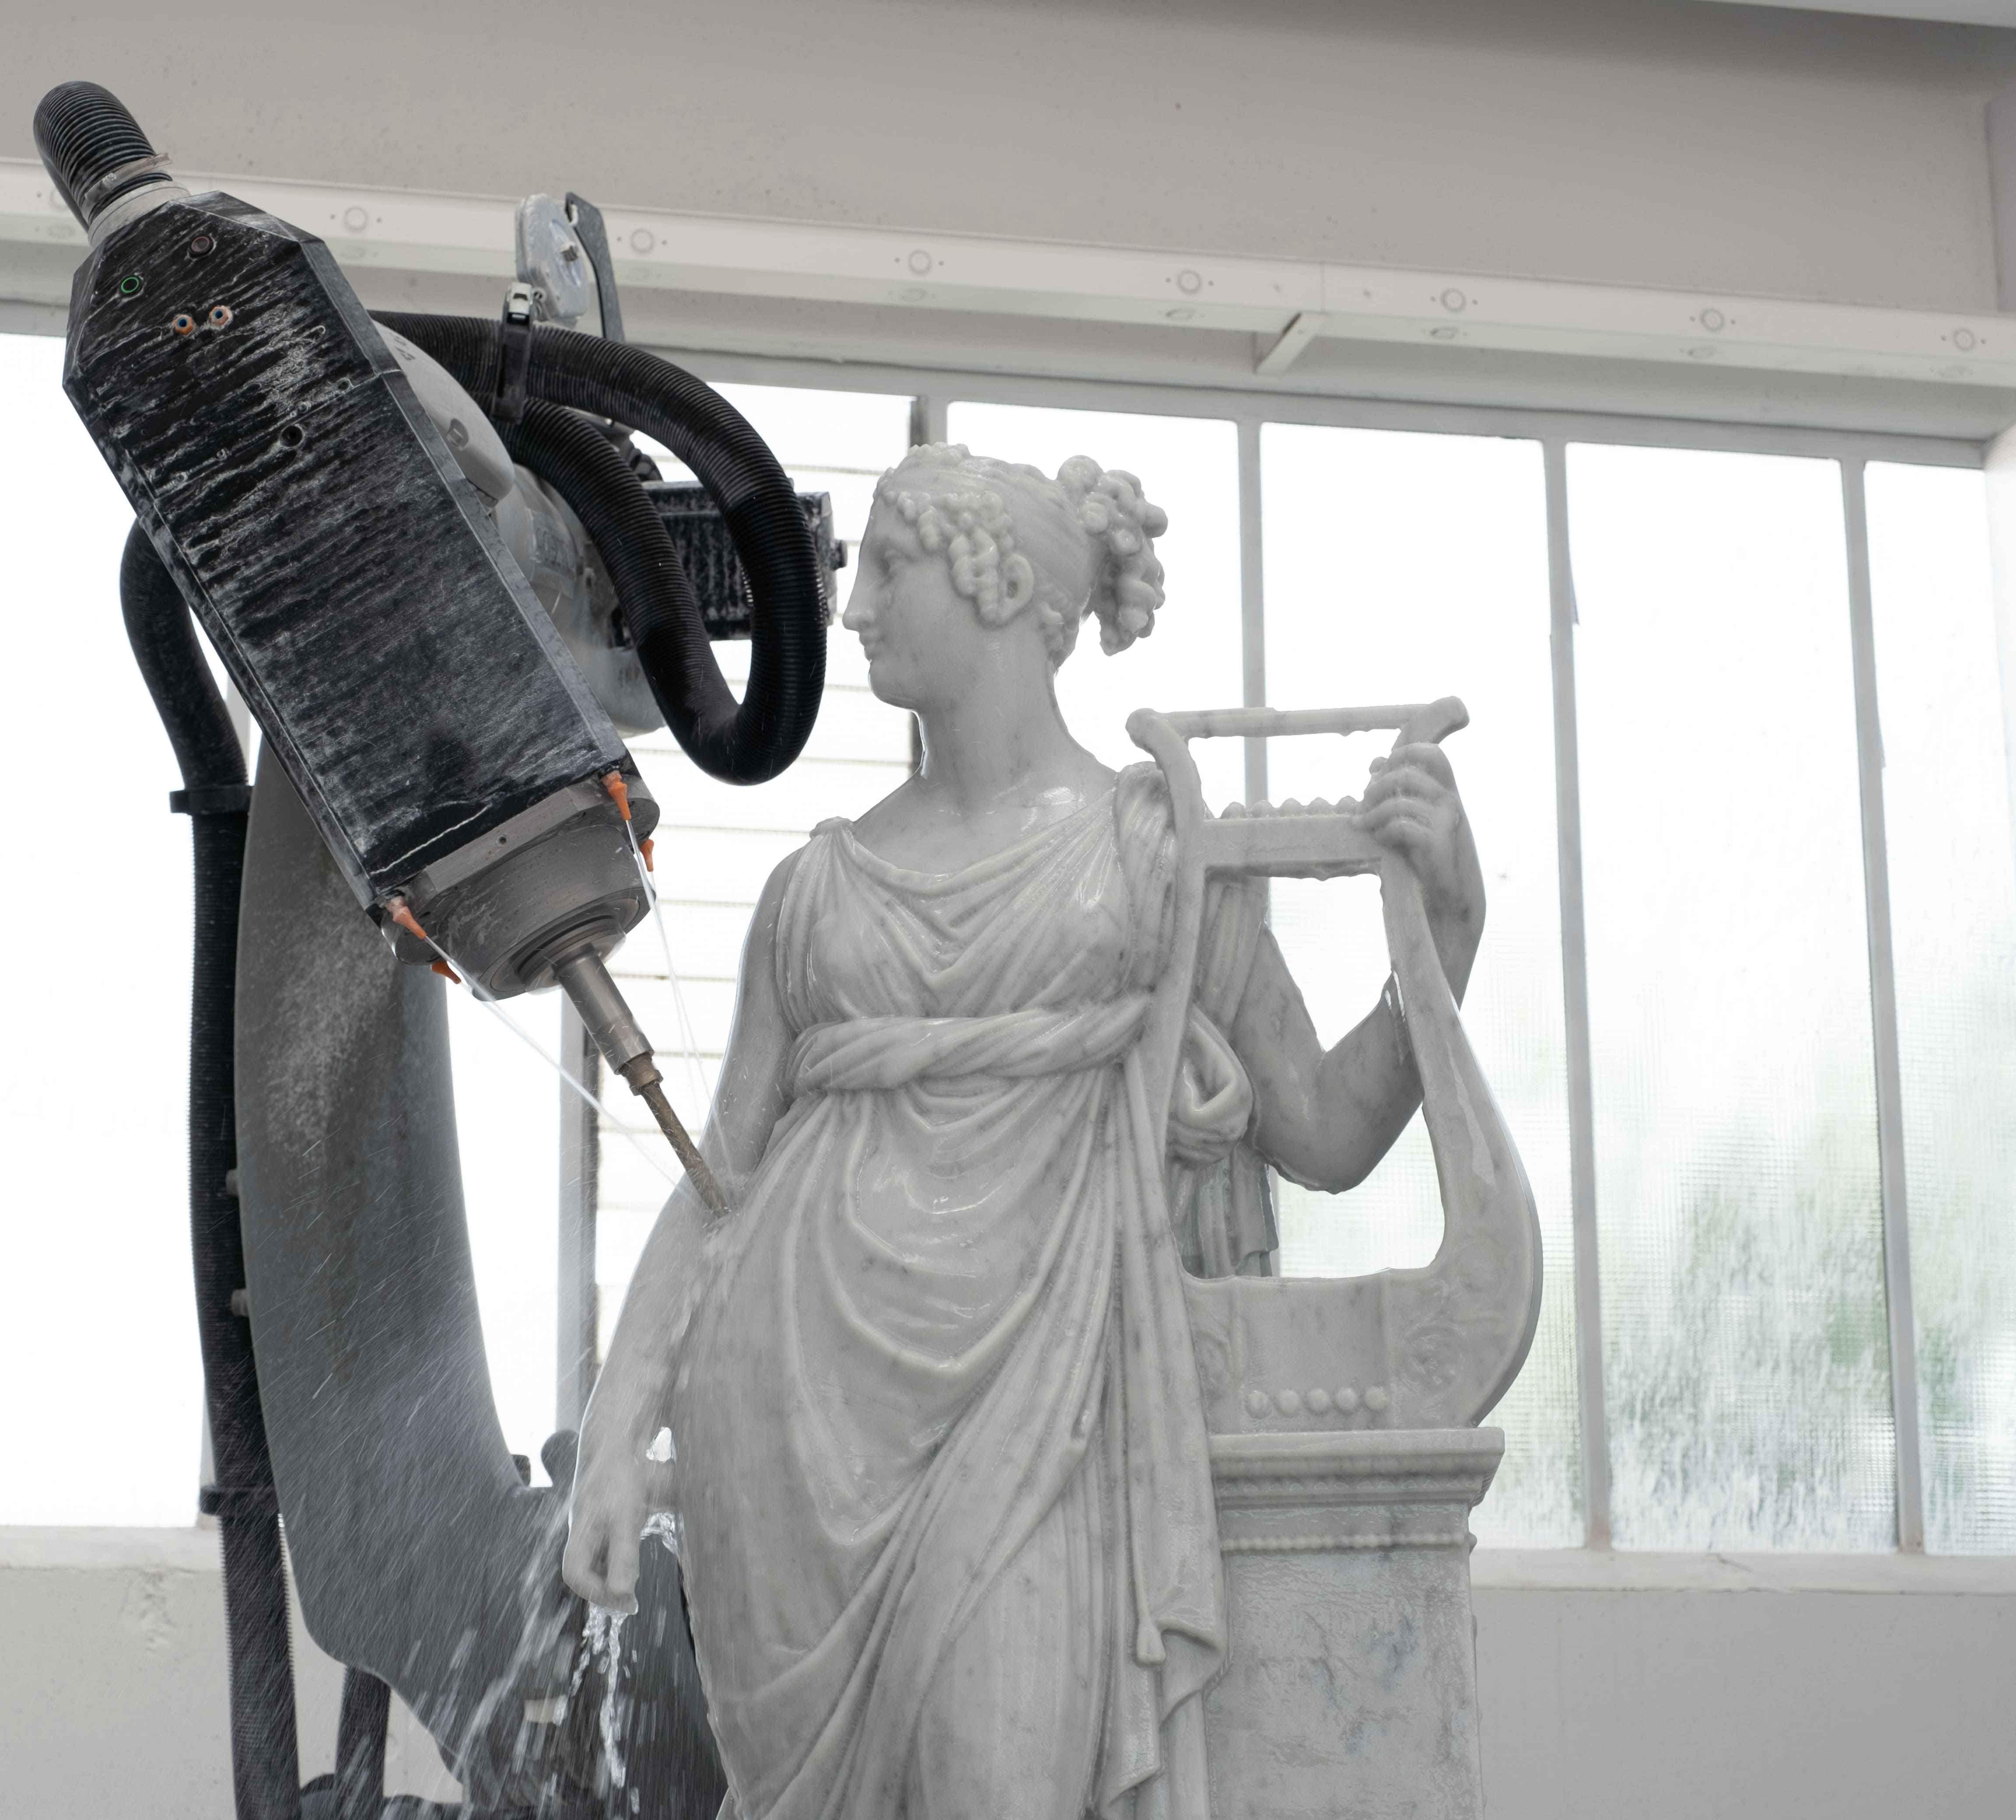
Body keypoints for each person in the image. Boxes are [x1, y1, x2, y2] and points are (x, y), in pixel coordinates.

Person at [563, 444, 1485, 1820]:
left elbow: (1330, 1131)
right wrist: (613, 1428)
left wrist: (1446, 934)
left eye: (890, 567)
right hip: (788, 1433)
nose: (855, 608)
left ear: (995, 585)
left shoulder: (1155, 856)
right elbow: (719, 1182)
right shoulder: (815, 891)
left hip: (1042, 1409)